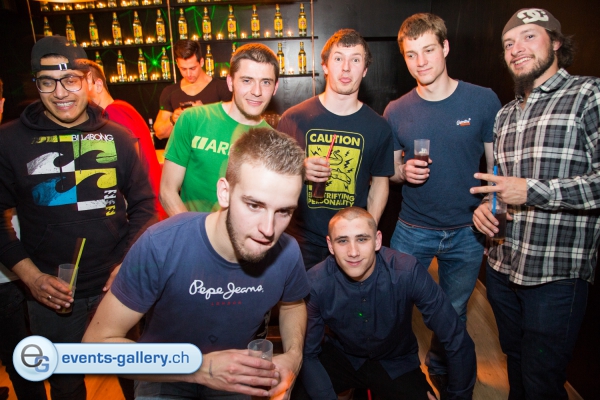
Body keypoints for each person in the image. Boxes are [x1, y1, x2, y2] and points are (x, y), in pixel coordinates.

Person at [83, 127, 310, 400]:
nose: (269, 229)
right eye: (254, 205)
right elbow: (95, 347)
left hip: (235, 377)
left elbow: (293, 304)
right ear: (224, 192)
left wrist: (293, 356)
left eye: (283, 211)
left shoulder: (287, 253)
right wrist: (199, 368)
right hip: (164, 377)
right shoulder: (162, 244)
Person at [0, 36, 157, 400]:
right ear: (36, 84)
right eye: (47, 82)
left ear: (88, 81)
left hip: (115, 289)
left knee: (133, 376)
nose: (60, 93)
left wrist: (126, 263)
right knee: (65, 384)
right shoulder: (9, 142)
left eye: (70, 79)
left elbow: (145, 206)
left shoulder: (118, 138)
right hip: (50, 294)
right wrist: (32, 278)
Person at [470, 8, 600, 400]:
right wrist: (487, 207)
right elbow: (502, 186)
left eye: (529, 37)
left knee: (543, 378)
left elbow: (526, 188)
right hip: (503, 267)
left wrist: (532, 192)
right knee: (516, 362)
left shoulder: (588, 95)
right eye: (509, 43)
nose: (516, 49)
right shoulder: (506, 115)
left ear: (556, 42)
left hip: (555, 273)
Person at [382, 13, 501, 395]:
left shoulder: (482, 100)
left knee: (453, 312)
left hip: (467, 231)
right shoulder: (396, 110)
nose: (421, 62)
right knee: (394, 306)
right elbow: (391, 170)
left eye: (428, 50)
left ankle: (442, 368)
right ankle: (400, 377)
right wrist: (404, 172)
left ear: (445, 47)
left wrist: (493, 209)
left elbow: (496, 166)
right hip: (412, 229)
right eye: (411, 54)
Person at [292, 207, 476, 400]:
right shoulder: (316, 282)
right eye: (343, 241)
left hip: (396, 362)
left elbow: (455, 337)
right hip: (344, 357)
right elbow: (308, 353)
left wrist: (458, 397)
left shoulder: (407, 272)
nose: (353, 252)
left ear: (377, 240)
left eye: (362, 239)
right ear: (330, 245)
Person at [277, 29, 394, 270]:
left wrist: (366, 233)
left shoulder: (378, 126)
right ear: (325, 66)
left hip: (350, 242)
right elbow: (273, 178)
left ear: (365, 70)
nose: (346, 68)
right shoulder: (294, 118)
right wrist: (299, 169)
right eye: (338, 58)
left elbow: (380, 184)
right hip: (301, 239)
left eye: (355, 60)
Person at [160, 43, 279, 216]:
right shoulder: (192, 119)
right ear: (230, 82)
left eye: (266, 82)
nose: (257, 91)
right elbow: (167, 191)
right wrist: (194, 231)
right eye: (247, 80)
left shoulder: (273, 141)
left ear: (275, 87)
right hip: (193, 229)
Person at [0, 78, 47, 400]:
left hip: (13, 272)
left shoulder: (11, 143)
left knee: (21, 356)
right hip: (13, 272)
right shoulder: (12, 143)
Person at [82, 59, 166, 221]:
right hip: (147, 205)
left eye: (81, 86)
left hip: (144, 208)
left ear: (98, 85)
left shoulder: (114, 112)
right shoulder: (120, 108)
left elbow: (130, 166)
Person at [153, 39, 232, 140]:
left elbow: (232, 128)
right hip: (183, 150)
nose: (188, 74)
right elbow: (159, 133)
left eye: (192, 68)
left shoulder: (222, 88)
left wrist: (205, 114)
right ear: (177, 64)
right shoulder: (170, 92)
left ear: (201, 62)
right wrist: (173, 120)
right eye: (183, 69)